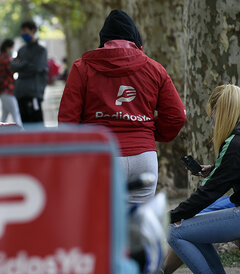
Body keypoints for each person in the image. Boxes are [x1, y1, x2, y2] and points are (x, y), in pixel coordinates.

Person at [58, 9, 186, 204]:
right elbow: (177, 116)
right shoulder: (154, 68)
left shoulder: (82, 67)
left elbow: (68, 122)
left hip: (101, 156)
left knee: (103, 226)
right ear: (136, 39)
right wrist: (148, 132)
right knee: (137, 227)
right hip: (144, 157)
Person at [168, 84, 240, 274]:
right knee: (196, 232)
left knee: (174, 231)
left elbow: (209, 192)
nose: (211, 120)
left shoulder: (237, 143)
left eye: (211, 114)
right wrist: (216, 169)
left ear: (219, 112)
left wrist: (172, 215)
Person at [10, 20, 48, 124]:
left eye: (25, 31)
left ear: (33, 31)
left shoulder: (41, 50)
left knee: (37, 123)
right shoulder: (21, 50)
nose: (23, 34)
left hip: (34, 93)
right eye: (22, 31)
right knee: (25, 123)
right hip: (20, 93)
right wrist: (27, 64)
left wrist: (21, 65)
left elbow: (37, 67)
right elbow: (12, 66)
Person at [0, 39, 23, 126]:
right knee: (16, 114)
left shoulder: (1, 58)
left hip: (3, 90)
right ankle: (22, 134)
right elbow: (11, 70)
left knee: (4, 117)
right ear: (8, 47)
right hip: (7, 89)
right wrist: (17, 63)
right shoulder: (6, 59)